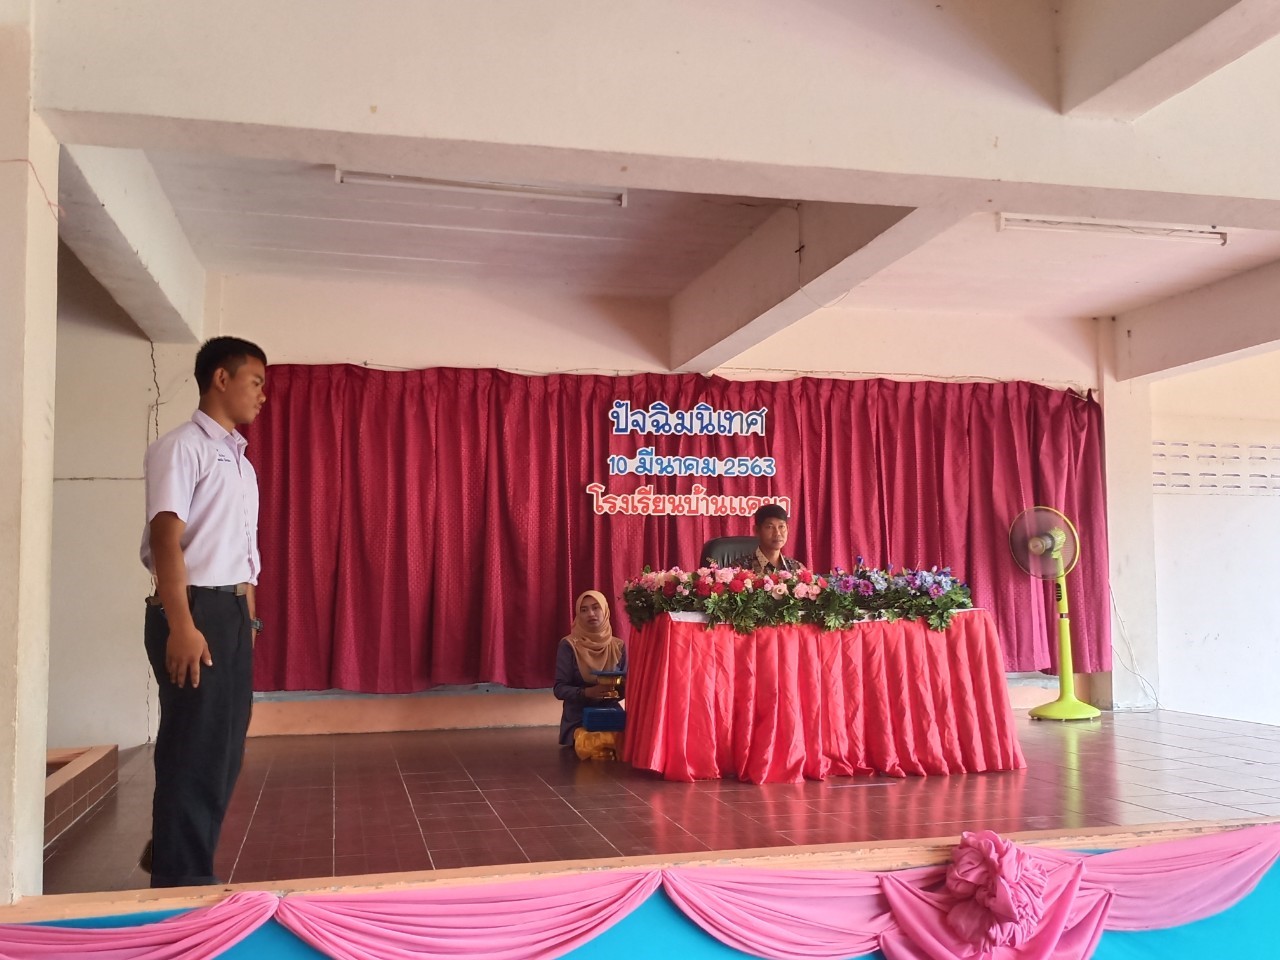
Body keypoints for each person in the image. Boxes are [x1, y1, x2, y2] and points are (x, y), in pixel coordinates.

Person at [138, 336, 267, 887]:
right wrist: (183, 625)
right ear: (221, 378)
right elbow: (166, 540)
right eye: (256, 382)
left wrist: (248, 622)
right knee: (194, 748)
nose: (262, 395)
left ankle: (175, 848)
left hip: (231, 613)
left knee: (224, 749)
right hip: (193, 611)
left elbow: (244, 554)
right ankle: (180, 879)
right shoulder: (181, 447)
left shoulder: (241, 463)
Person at [553, 590, 626, 750]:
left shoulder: (618, 646)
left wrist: (618, 689)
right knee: (591, 748)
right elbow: (559, 689)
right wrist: (588, 692)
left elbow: (626, 687)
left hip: (612, 717)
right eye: (584, 610)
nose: (591, 614)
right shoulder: (568, 645)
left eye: (596, 607)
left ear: (605, 610)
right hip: (578, 720)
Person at [731, 504, 807, 575]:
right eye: (770, 527)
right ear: (756, 530)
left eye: (781, 526)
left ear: (787, 529)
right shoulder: (739, 569)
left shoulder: (797, 569)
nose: (777, 533)